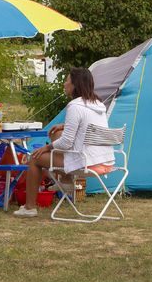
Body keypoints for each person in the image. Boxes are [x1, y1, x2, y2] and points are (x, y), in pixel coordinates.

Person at [13, 68, 113, 218]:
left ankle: (29, 207)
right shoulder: (98, 104)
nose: (65, 84)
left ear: (75, 84)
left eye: (67, 80)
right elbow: (87, 127)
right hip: (105, 161)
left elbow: (66, 142)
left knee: (34, 157)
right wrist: (63, 126)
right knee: (57, 133)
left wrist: (45, 148)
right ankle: (65, 179)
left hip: (86, 162)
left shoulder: (75, 106)